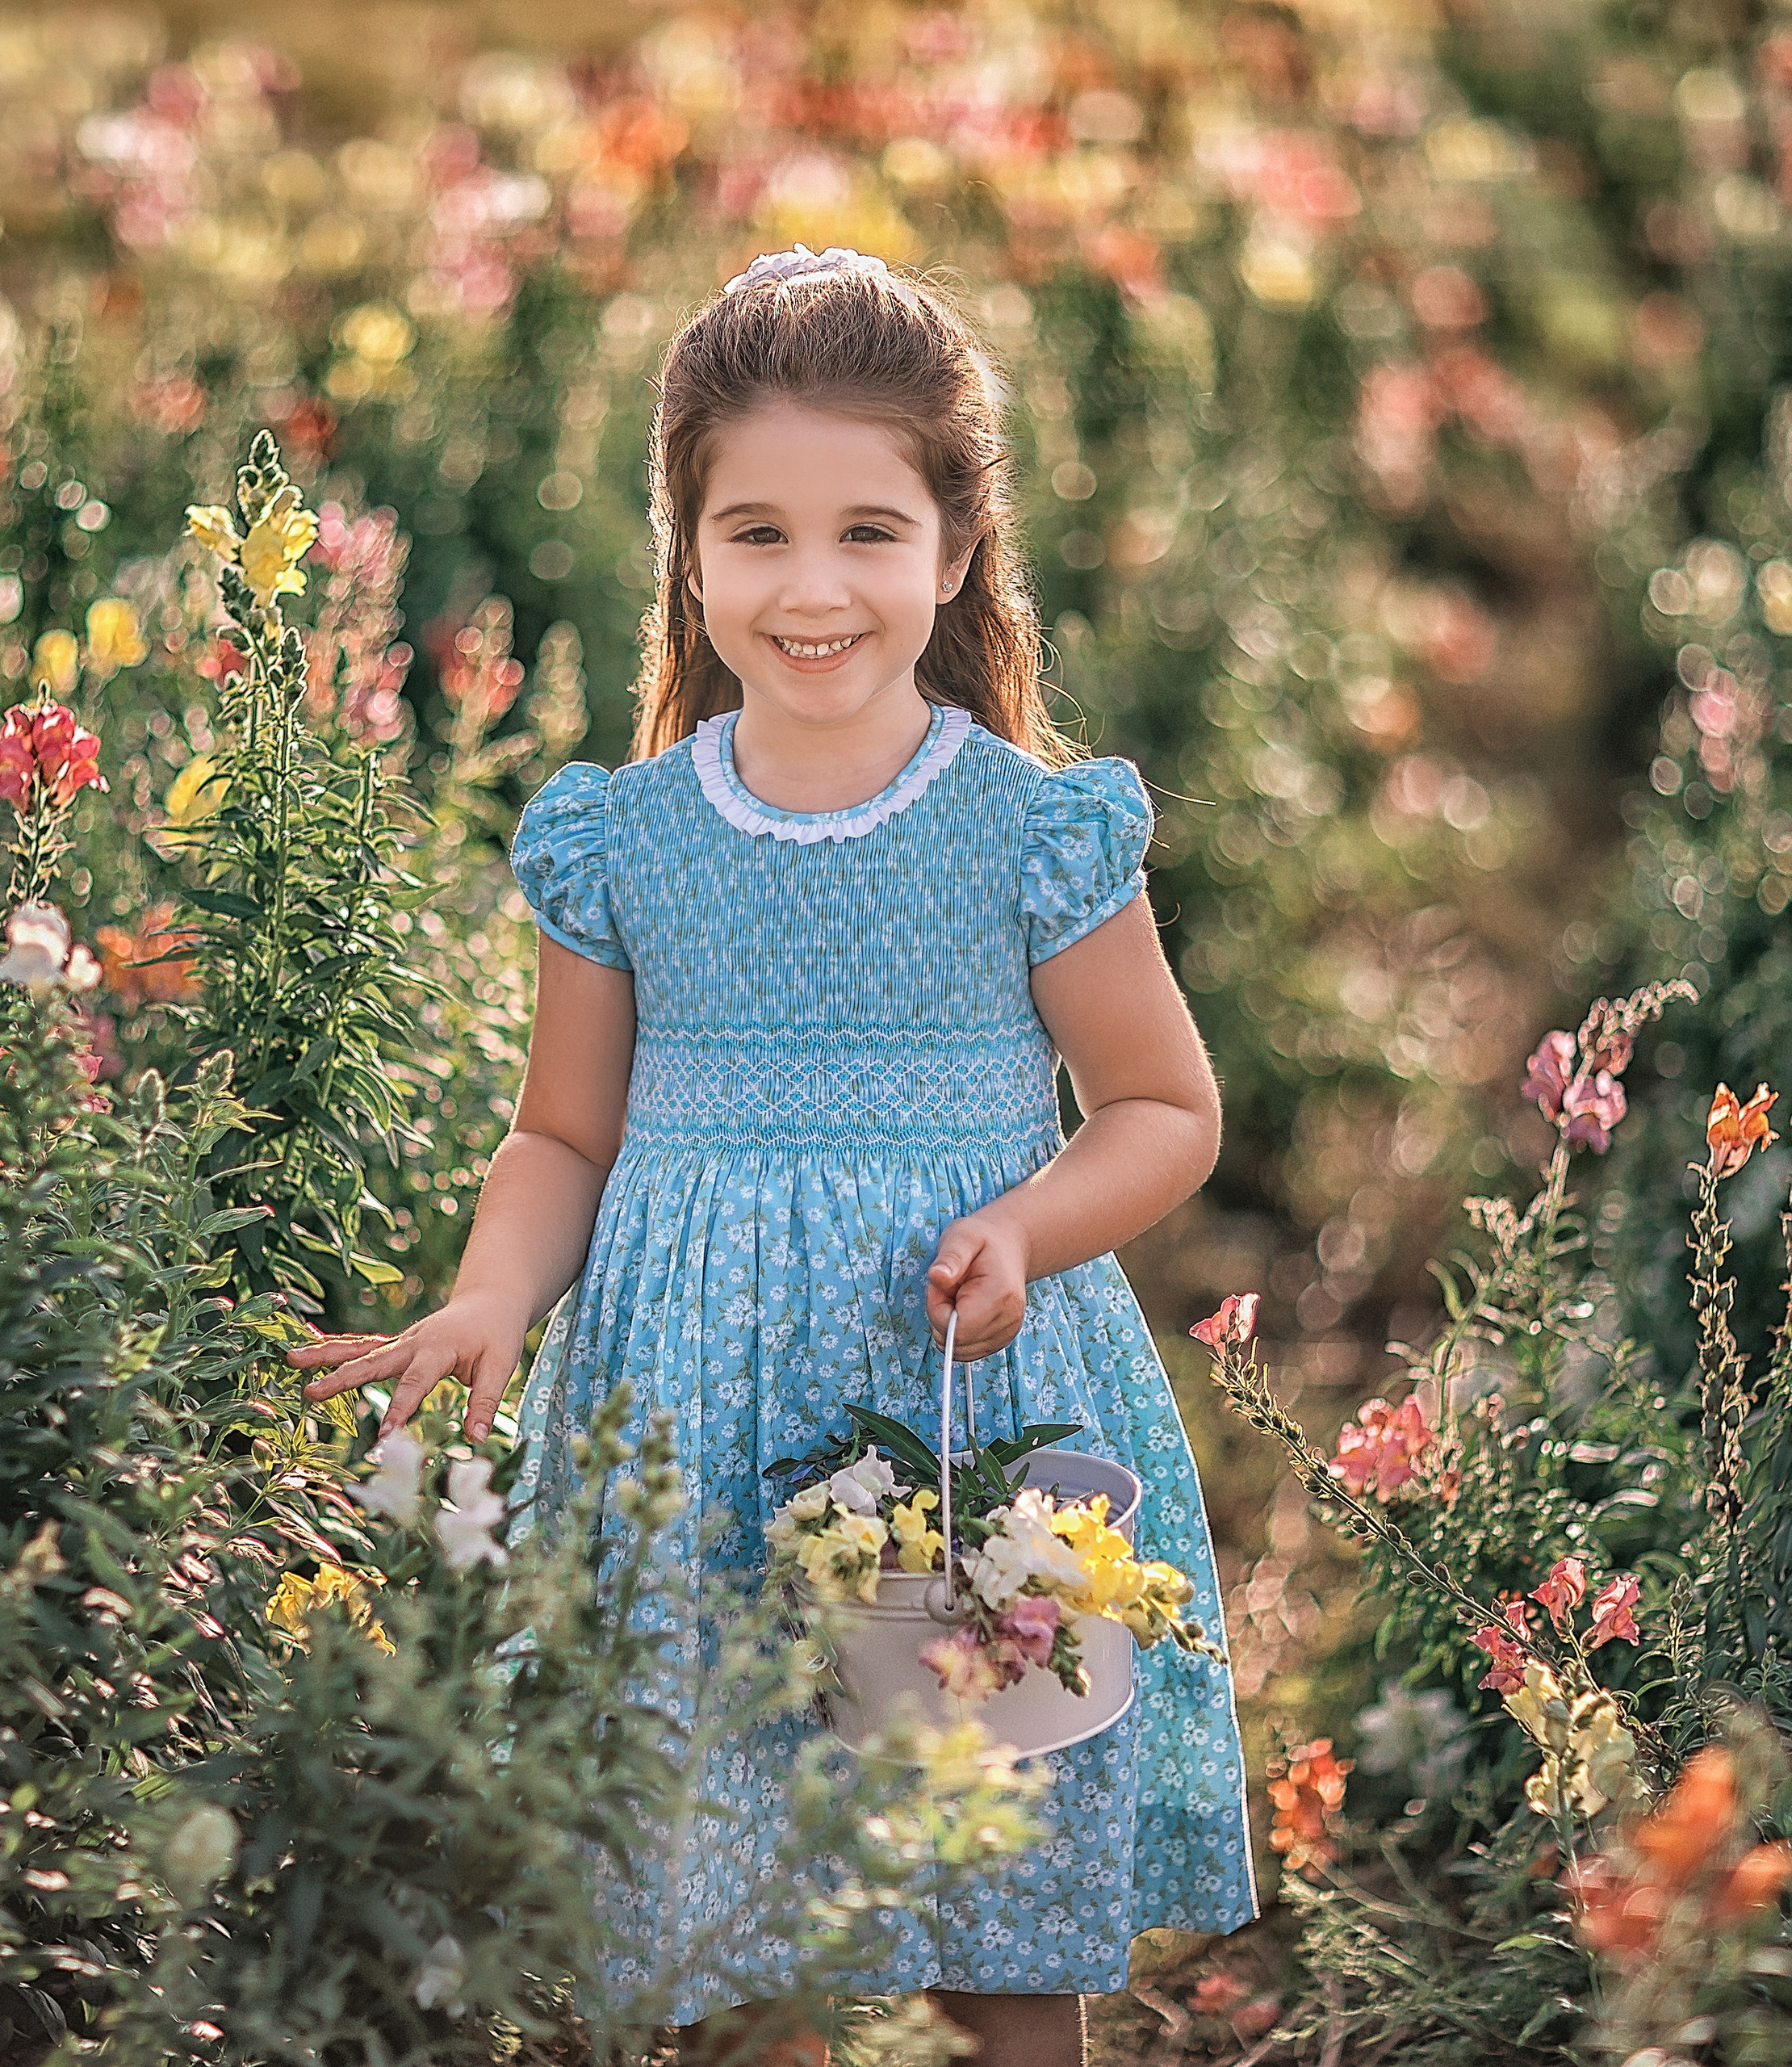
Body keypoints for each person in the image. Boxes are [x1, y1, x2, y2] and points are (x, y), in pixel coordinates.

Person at [291, 245, 1257, 2066]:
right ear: (687, 550)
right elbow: (563, 1128)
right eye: (755, 535)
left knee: (996, 1908)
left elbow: (1161, 1107)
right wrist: (490, 1293)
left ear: (954, 550)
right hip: (684, 1427)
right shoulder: (625, 841)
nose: (812, 589)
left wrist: (1025, 1220)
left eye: (868, 533)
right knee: (719, 1915)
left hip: (962, 1408)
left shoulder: (1025, 831)